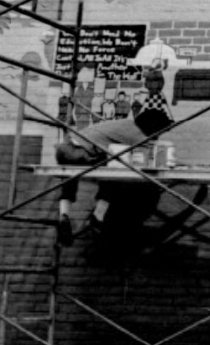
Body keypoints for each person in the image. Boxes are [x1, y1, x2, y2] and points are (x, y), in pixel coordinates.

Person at [55, 69, 173, 244]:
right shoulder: (139, 135)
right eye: (159, 132)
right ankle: (98, 215)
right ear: (153, 128)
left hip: (64, 148)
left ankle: (63, 215)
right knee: (116, 174)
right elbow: (162, 155)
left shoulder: (124, 124)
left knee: (69, 180)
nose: (158, 136)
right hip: (83, 153)